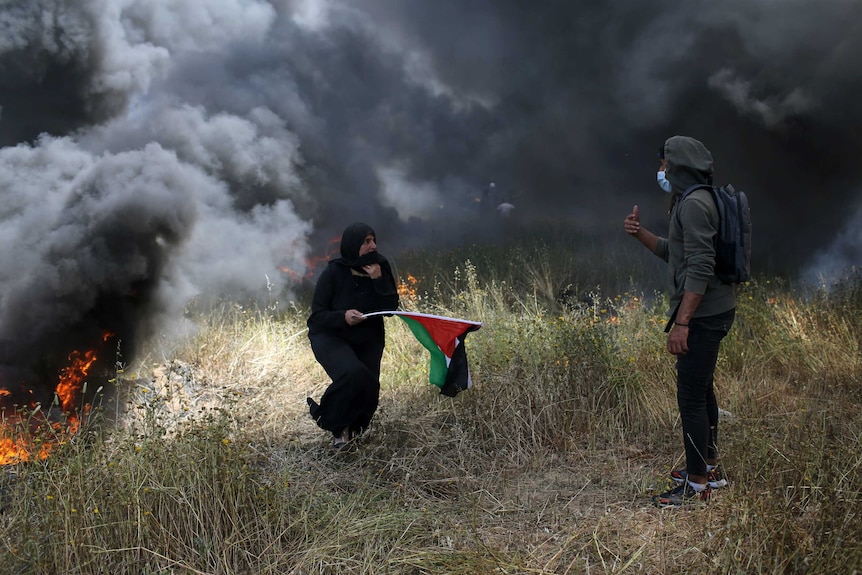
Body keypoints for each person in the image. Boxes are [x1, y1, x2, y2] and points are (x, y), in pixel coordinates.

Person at [623, 136, 736, 507]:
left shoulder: (693, 206)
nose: (660, 171)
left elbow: (701, 266)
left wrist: (683, 323)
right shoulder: (695, 200)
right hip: (714, 310)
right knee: (702, 390)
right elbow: (678, 254)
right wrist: (640, 234)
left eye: (664, 164)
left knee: (690, 395)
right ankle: (710, 468)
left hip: (703, 315)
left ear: (678, 167)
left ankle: (697, 484)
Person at [306, 222, 399, 449]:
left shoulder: (380, 267)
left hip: (368, 338)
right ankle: (336, 428)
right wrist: (343, 317)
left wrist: (378, 279)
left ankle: (352, 432)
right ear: (353, 244)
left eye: (373, 240)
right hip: (331, 336)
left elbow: (390, 309)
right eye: (366, 241)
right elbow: (316, 317)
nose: (373, 245)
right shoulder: (334, 272)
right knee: (352, 374)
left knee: (368, 387)